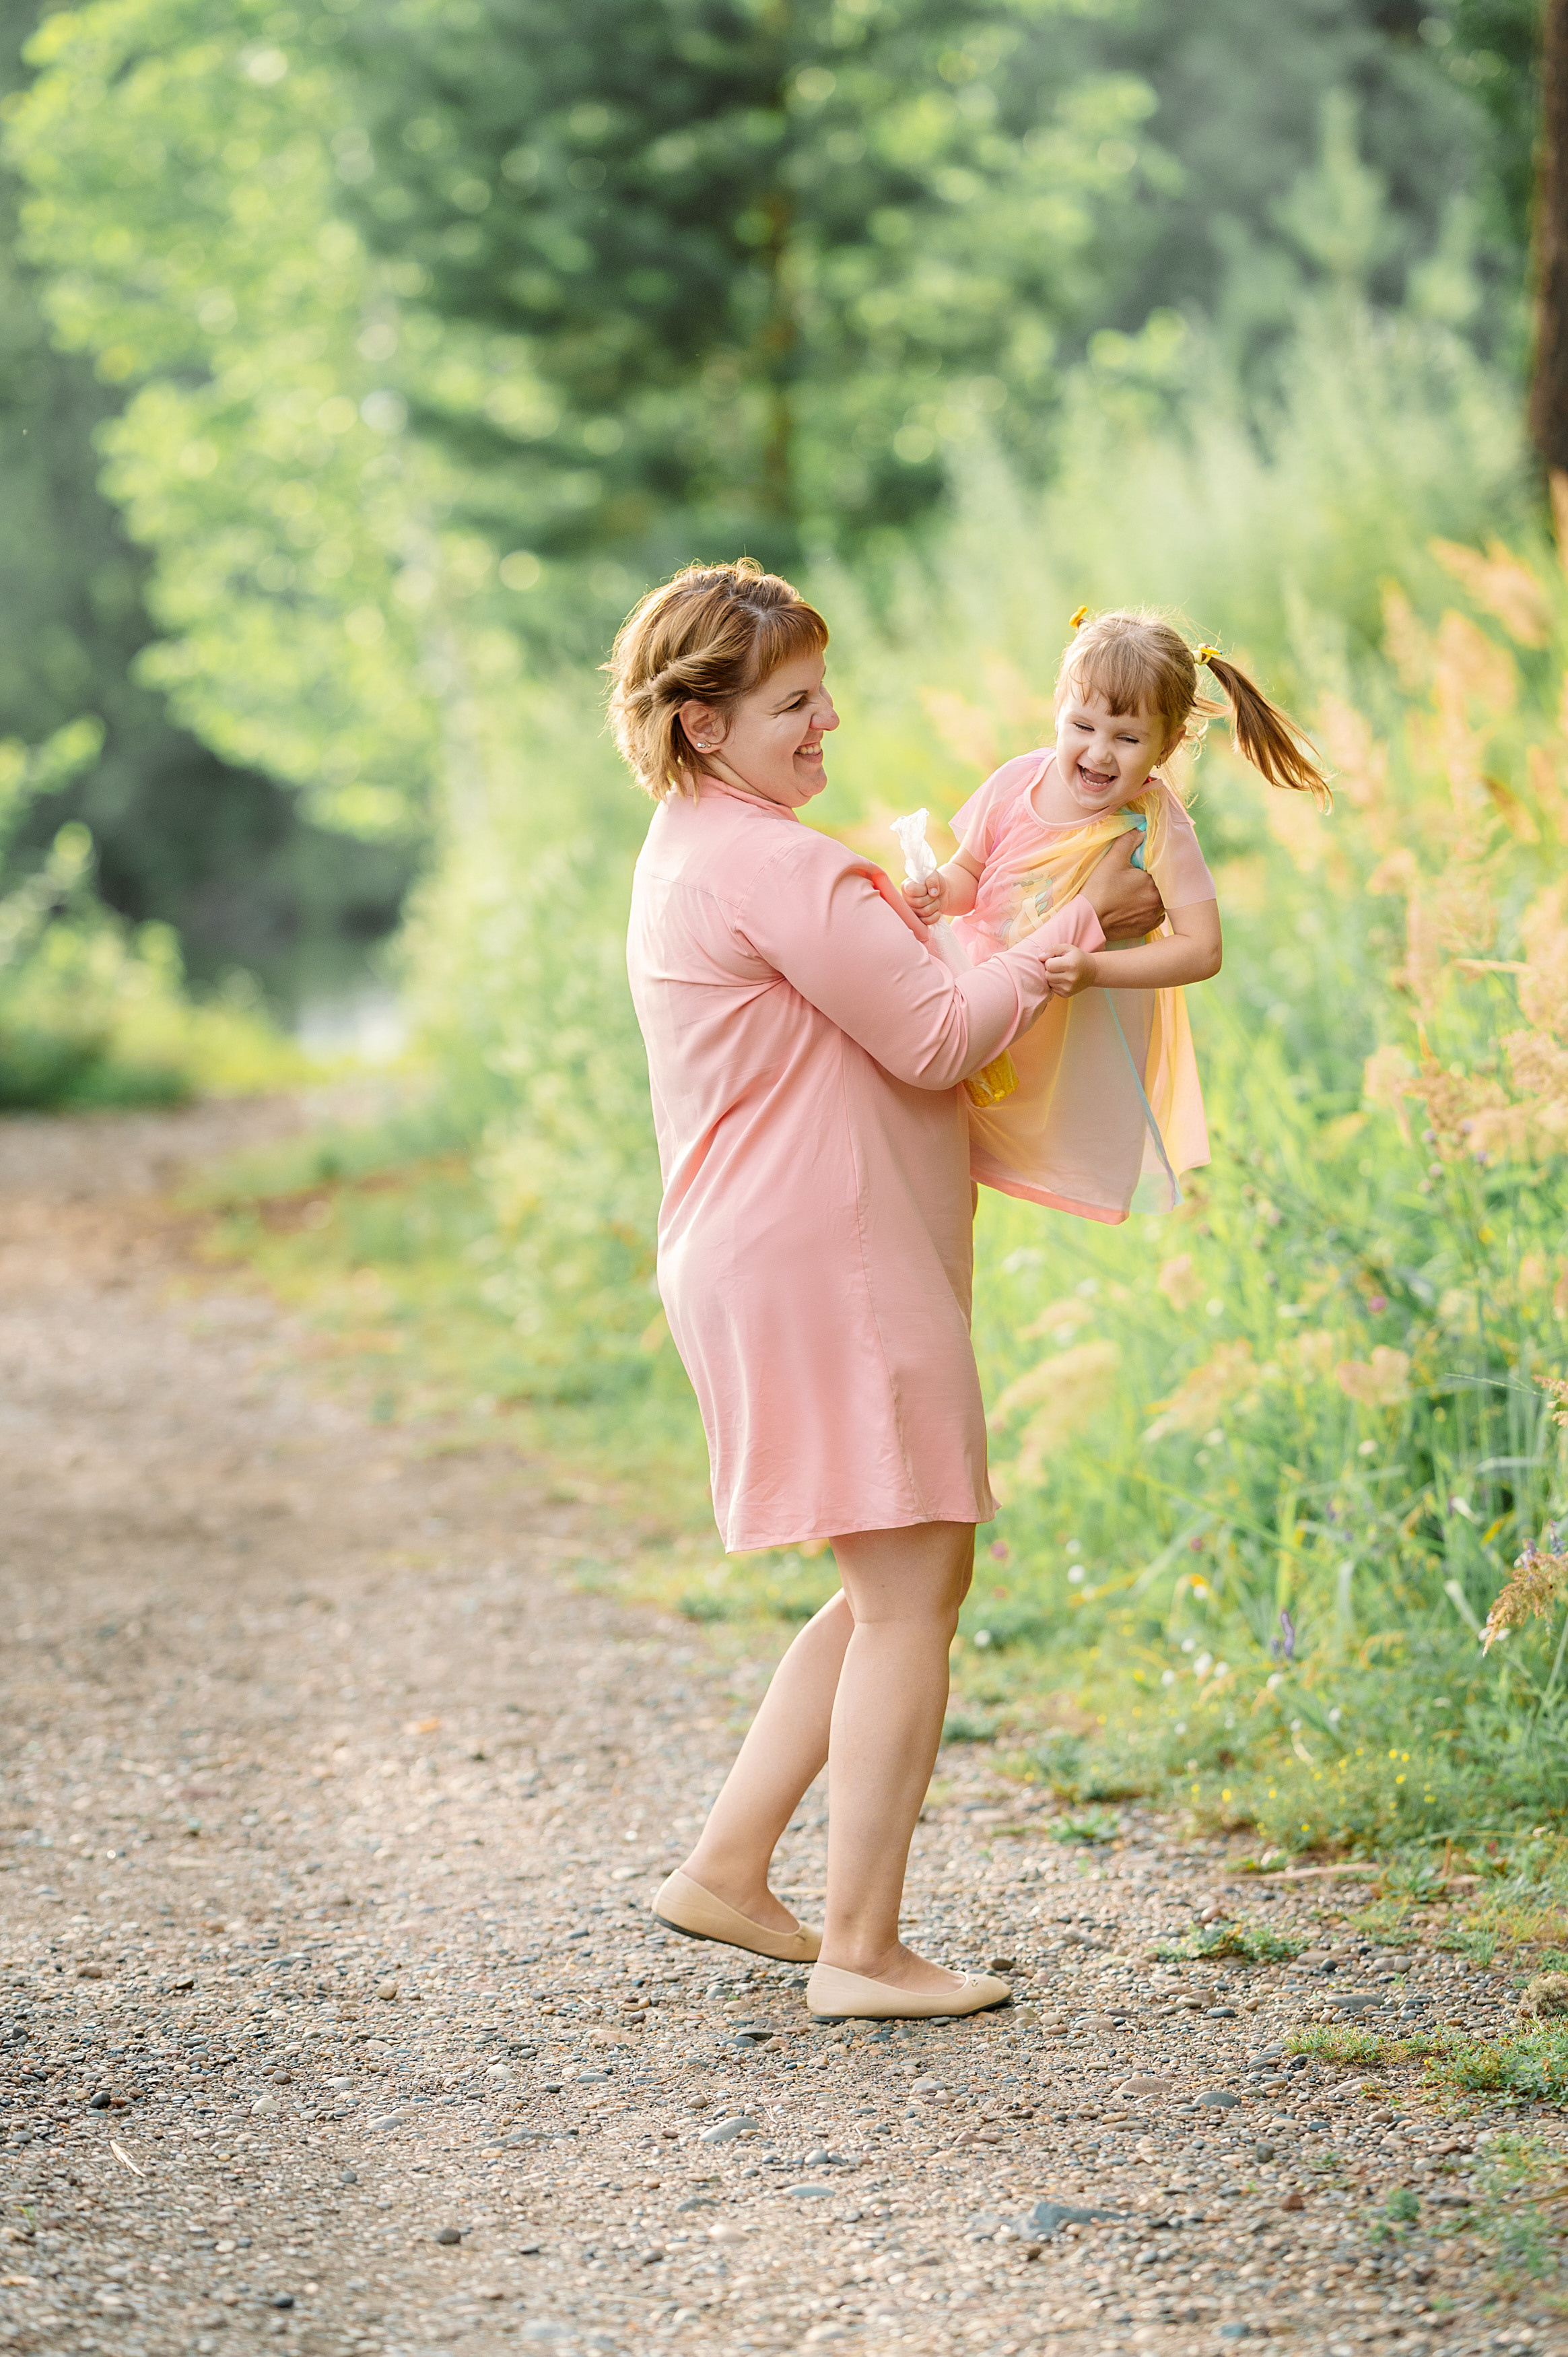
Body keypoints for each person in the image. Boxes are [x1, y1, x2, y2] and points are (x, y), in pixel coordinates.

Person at [611, 562, 1167, 2021]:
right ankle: (863, 1949)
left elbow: (880, 995)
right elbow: (931, 1038)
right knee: (914, 1585)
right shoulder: (780, 863)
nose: (828, 720)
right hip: (823, 1254)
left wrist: (944, 910)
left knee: (891, 1578)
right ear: (702, 721)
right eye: (794, 702)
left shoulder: (695, 846)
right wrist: (1073, 927)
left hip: (766, 1245)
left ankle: (732, 1869)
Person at [903, 607, 1330, 1222]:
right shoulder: (1014, 782)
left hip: (1064, 1027)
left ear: (1169, 742)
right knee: (934, 1126)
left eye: (1127, 739)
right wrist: (938, 891)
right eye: (1082, 725)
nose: (1099, 754)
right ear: (1056, 706)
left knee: (1013, 1131)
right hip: (987, 996)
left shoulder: (1154, 823)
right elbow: (971, 874)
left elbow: (1201, 949)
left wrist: (1093, 968)